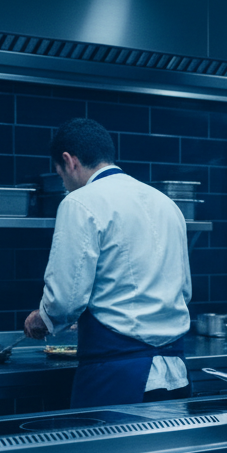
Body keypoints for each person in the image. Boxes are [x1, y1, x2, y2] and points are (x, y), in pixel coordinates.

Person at [24, 118, 192, 407]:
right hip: (175, 374)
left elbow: (65, 299)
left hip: (118, 377)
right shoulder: (166, 203)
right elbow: (184, 291)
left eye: (60, 175)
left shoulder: (79, 202)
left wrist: (43, 319)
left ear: (69, 160)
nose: (64, 184)